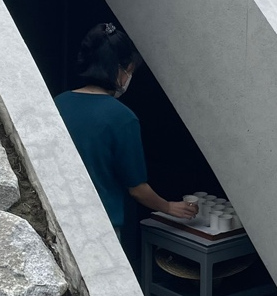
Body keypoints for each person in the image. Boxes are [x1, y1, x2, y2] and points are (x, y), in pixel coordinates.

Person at [55, 23, 196, 245]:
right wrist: (169, 207)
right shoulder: (122, 117)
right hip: (100, 229)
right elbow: (137, 189)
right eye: (130, 70)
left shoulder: (58, 103)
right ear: (121, 69)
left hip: (59, 216)